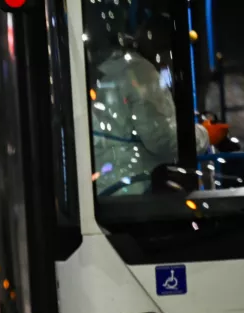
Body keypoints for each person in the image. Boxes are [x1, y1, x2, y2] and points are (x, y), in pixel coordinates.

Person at [87, 6, 211, 196]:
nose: (169, 63)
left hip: (109, 187)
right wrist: (207, 133)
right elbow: (161, 140)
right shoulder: (141, 71)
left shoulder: (115, 68)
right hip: (135, 189)